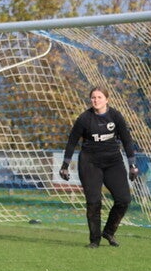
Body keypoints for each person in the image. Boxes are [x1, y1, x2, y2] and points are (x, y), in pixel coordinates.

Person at [59, 86, 138, 248]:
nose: (96, 100)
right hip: (90, 162)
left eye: (99, 97)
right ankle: (94, 240)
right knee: (94, 201)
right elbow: (72, 141)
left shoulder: (115, 116)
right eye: (93, 97)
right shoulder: (84, 118)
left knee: (124, 199)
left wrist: (132, 165)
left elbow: (127, 140)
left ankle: (109, 232)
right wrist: (65, 165)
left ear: (106, 100)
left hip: (113, 162)